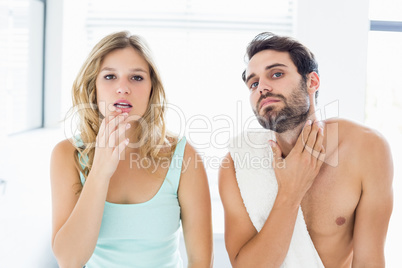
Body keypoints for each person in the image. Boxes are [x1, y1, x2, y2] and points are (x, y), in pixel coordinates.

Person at [219, 32, 393, 267]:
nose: (262, 88)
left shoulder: (366, 149)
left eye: (276, 74)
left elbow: (369, 262)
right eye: (254, 83)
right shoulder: (236, 166)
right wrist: (290, 191)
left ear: (312, 82)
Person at [50, 31, 213, 268]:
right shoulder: (67, 155)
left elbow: (201, 260)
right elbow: (69, 260)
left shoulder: (184, 156)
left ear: (151, 89)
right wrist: (100, 172)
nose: (123, 88)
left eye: (136, 78)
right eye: (110, 76)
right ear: (93, 88)